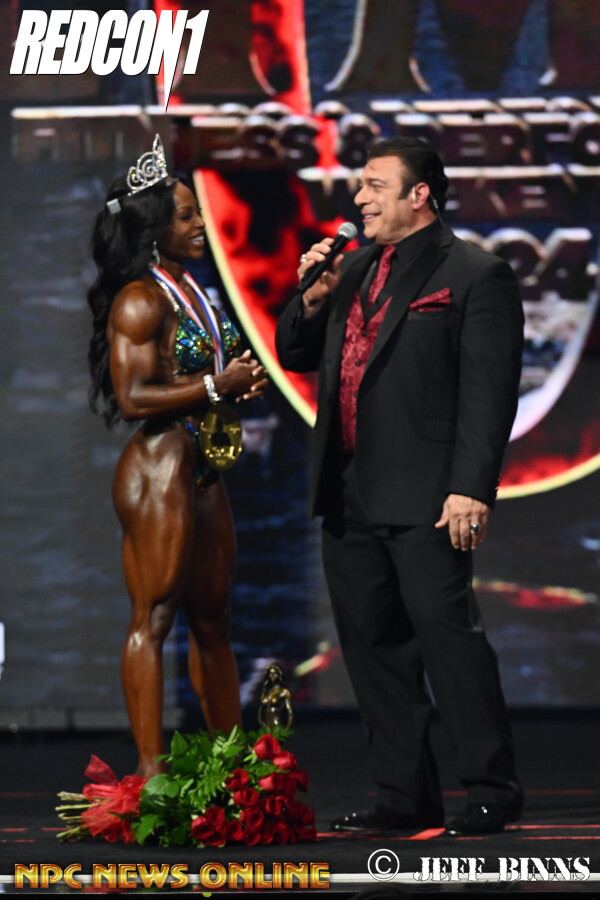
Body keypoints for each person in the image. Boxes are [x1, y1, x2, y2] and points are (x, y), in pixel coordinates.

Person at [275, 137, 524, 836]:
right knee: (372, 646)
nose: (359, 198)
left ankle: (491, 787)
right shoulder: (351, 268)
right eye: (360, 185)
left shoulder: (473, 273)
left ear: (420, 195)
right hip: (347, 487)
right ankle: (403, 794)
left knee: (449, 643)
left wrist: (471, 487)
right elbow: (295, 352)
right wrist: (311, 296)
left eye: (375, 185)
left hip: (427, 492)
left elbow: (489, 393)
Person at [88, 135, 267, 777]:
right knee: (156, 615)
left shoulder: (187, 288)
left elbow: (196, 373)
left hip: (201, 466)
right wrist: (219, 385)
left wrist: (237, 381)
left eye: (197, 214)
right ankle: (150, 772)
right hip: (158, 465)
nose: (199, 225)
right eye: (187, 216)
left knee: (213, 616)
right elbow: (133, 397)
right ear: (155, 227)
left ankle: (232, 765)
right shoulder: (140, 298)